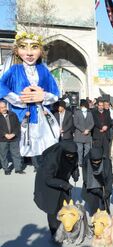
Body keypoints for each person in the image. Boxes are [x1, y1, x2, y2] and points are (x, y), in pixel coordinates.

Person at [0, 31, 61, 170]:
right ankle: (19, 165)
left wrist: (44, 96)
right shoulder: (15, 70)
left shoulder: (43, 70)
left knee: (45, 141)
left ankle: (41, 166)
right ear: (17, 50)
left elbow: (56, 92)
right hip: (22, 115)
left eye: (34, 47)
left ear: (40, 50)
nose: (29, 53)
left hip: (41, 114)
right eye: (23, 47)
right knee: (22, 141)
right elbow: (1, 85)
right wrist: (18, 99)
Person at [33, 140, 79, 236]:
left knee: (65, 204)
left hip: (62, 180)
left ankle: (67, 226)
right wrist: (64, 184)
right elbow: (48, 179)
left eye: (72, 155)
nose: (71, 157)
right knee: (53, 208)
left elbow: (74, 164)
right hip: (48, 183)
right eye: (68, 155)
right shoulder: (52, 158)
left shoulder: (74, 154)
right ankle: (55, 232)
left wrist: (75, 172)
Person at [81, 147, 113, 215]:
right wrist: (99, 192)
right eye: (94, 161)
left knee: (104, 210)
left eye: (98, 161)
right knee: (95, 211)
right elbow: (86, 180)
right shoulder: (86, 162)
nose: (96, 163)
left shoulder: (107, 162)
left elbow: (110, 177)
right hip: (91, 188)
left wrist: (108, 191)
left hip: (104, 185)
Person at [0, 100, 24, 174]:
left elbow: (17, 126)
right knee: (3, 155)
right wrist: (5, 134)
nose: (4, 109)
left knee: (16, 153)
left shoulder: (13, 114)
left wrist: (14, 134)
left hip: (14, 138)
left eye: (4, 107)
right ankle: (6, 169)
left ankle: (18, 169)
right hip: (3, 139)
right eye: (1, 108)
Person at [73, 99, 94, 167]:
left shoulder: (90, 113)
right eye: (83, 106)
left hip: (87, 134)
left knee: (87, 149)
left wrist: (88, 129)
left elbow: (92, 123)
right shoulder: (77, 112)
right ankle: (80, 162)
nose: (84, 107)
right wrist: (83, 130)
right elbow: (76, 123)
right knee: (79, 150)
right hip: (79, 134)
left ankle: (86, 161)